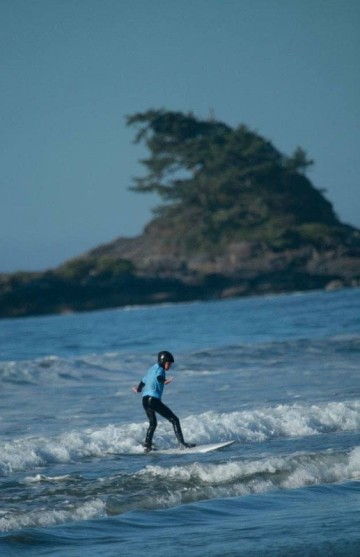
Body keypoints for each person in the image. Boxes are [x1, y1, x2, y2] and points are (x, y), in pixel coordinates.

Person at [132, 350, 195, 452]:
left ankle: (147, 446)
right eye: (169, 363)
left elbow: (143, 381)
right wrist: (164, 381)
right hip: (153, 400)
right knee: (175, 420)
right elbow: (159, 377)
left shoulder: (151, 369)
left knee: (153, 424)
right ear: (163, 362)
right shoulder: (161, 370)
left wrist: (138, 389)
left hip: (144, 400)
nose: (170, 366)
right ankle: (182, 445)